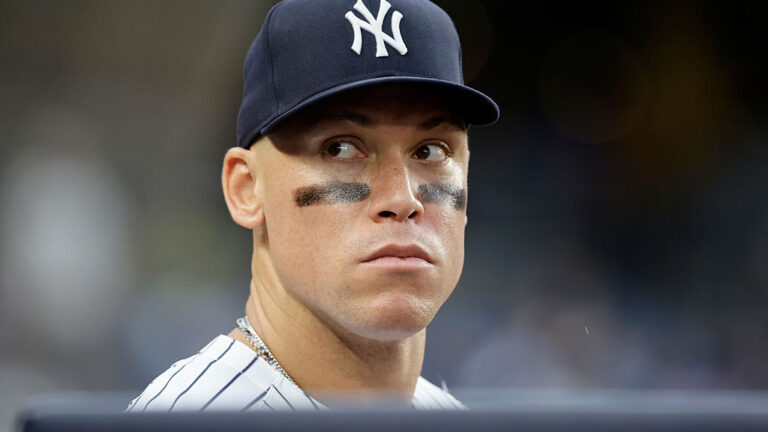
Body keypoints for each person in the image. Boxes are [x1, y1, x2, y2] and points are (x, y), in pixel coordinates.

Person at [127, 0, 498, 412]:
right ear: (246, 189)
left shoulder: (453, 418)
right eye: (340, 148)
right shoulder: (187, 420)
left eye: (430, 151)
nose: (402, 199)